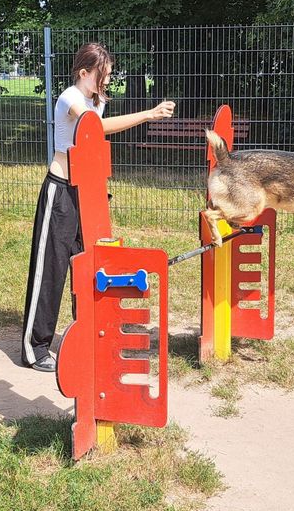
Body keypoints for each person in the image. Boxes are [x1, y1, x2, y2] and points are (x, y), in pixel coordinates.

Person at [21, 42, 176, 372]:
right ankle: (34, 348)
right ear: (83, 73)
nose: (105, 82)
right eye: (101, 76)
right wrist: (148, 113)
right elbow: (94, 127)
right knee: (50, 270)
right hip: (60, 191)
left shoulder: (96, 99)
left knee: (88, 265)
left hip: (88, 193)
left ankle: (90, 336)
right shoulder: (70, 99)